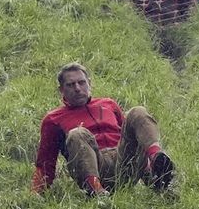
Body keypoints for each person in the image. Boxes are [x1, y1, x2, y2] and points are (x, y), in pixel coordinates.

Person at [31, 62, 175, 197]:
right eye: (70, 85)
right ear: (61, 90)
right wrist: (36, 194)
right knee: (77, 133)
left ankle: (157, 166)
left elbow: (132, 136)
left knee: (137, 112)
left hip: (123, 160)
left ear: (89, 83)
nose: (77, 88)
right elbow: (45, 163)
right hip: (94, 165)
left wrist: (147, 172)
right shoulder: (53, 119)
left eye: (81, 82)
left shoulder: (108, 104)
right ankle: (97, 192)